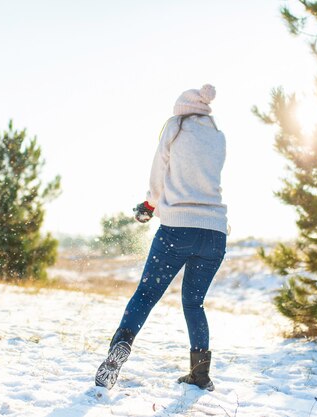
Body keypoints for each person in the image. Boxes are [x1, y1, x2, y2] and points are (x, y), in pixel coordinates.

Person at [95, 84, 228, 392]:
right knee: (194, 303)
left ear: (181, 108)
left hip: (178, 229)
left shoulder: (174, 127)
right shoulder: (218, 135)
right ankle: (200, 374)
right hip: (215, 233)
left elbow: (159, 175)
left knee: (145, 295)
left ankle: (121, 346)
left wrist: (150, 205)